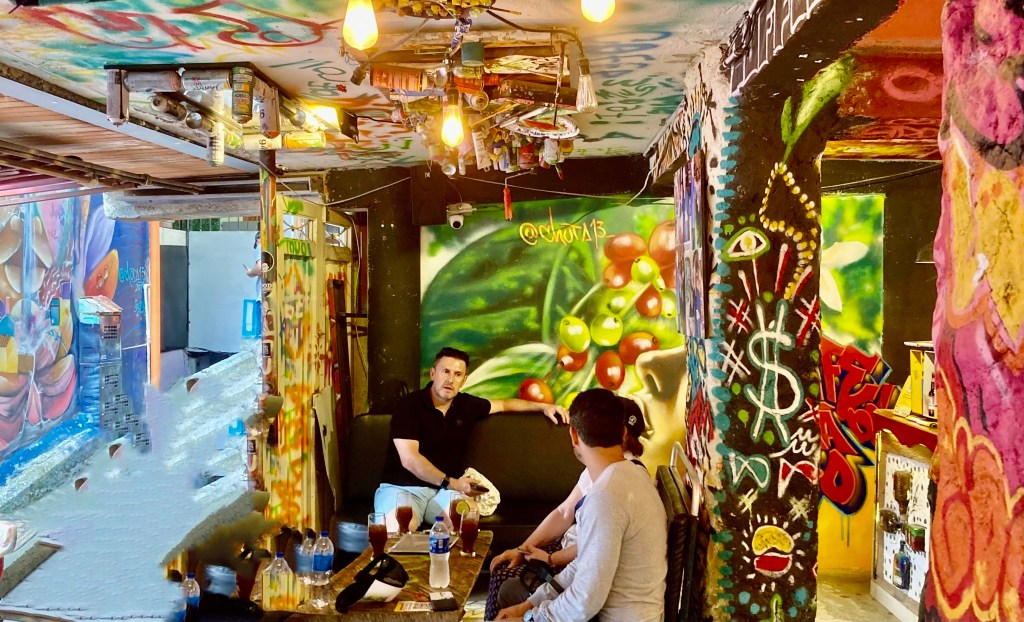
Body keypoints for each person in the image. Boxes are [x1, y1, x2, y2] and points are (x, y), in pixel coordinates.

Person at [496, 389, 667, 622]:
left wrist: (530, 618)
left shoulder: (605, 498)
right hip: (612, 611)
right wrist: (529, 605)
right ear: (623, 433)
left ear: (574, 435)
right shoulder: (626, 477)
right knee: (515, 598)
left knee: (509, 595)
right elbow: (583, 564)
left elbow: (584, 601)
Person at [374, 347, 568, 532]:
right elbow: (410, 459)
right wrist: (452, 483)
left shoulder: (466, 404)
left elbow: (504, 404)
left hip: (442, 493)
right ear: (433, 373)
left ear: (464, 380)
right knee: (398, 529)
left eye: (457, 374)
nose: (450, 379)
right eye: (445, 371)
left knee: (467, 518)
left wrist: (543, 407)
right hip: (403, 489)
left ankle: (454, 557)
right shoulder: (409, 405)